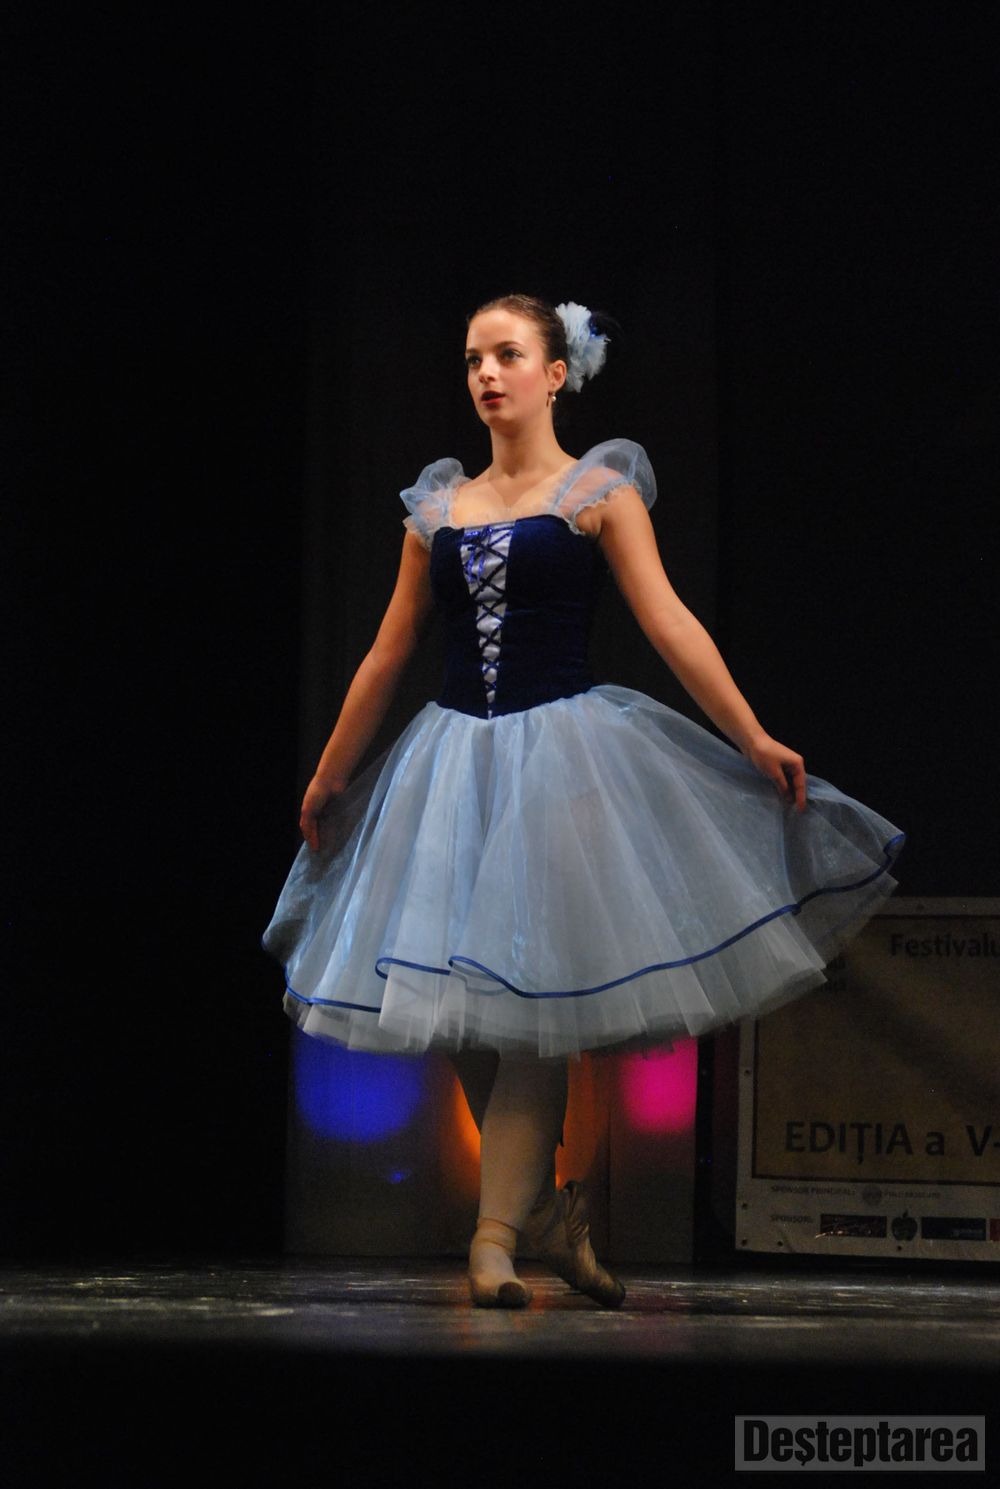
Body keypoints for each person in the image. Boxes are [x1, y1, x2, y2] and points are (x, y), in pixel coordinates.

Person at [262, 293, 904, 1311]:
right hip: (449, 771)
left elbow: (669, 620)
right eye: (473, 358)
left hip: (560, 767)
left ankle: (492, 1240)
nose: (486, 373)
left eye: (507, 354)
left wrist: (750, 734)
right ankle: (548, 1216)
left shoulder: (599, 492)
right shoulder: (439, 508)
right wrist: (330, 772)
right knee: (458, 1015)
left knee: (530, 1010)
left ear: (555, 373)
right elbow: (388, 651)